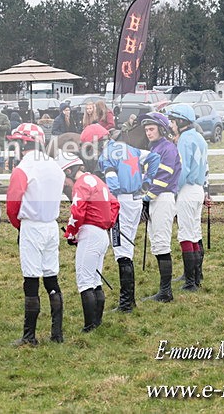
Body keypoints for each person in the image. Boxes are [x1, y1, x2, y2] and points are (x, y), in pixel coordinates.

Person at [6, 123, 66, 345]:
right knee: (51, 277)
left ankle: (29, 336)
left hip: (31, 225)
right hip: (51, 225)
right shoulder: (54, 165)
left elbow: (12, 205)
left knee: (31, 279)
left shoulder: (23, 168)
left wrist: (18, 226)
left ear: (24, 143)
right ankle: (56, 332)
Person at [98, 129, 160, 312]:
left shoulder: (106, 155)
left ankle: (126, 303)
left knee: (121, 249)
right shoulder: (131, 149)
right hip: (136, 200)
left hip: (122, 201)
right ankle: (129, 300)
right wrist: (147, 180)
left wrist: (111, 202)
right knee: (128, 246)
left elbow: (113, 182)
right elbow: (154, 157)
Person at [57, 151, 119, 332]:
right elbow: (115, 204)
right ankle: (97, 323)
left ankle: (89, 326)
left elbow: (77, 212)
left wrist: (70, 233)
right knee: (94, 280)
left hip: (89, 233)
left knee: (84, 281)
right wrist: (107, 222)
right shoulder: (97, 181)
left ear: (69, 171)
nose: (65, 185)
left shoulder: (81, 184)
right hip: (102, 233)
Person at [139, 112, 180, 303]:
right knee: (156, 242)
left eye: (151, 129)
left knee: (162, 243)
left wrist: (147, 198)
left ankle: (166, 292)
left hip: (163, 198)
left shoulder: (167, 148)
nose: (148, 132)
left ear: (161, 129)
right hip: (155, 197)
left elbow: (163, 179)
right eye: (146, 129)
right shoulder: (155, 148)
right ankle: (163, 289)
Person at [167, 105, 208, 292]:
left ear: (181, 122)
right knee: (195, 233)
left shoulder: (184, 139)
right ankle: (196, 276)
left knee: (185, 234)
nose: (171, 124)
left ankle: (190, 281)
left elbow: (182, 170)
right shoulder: (199, 137)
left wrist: (173, 189)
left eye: (173, 121)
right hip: (198, 189)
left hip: (186, 190)